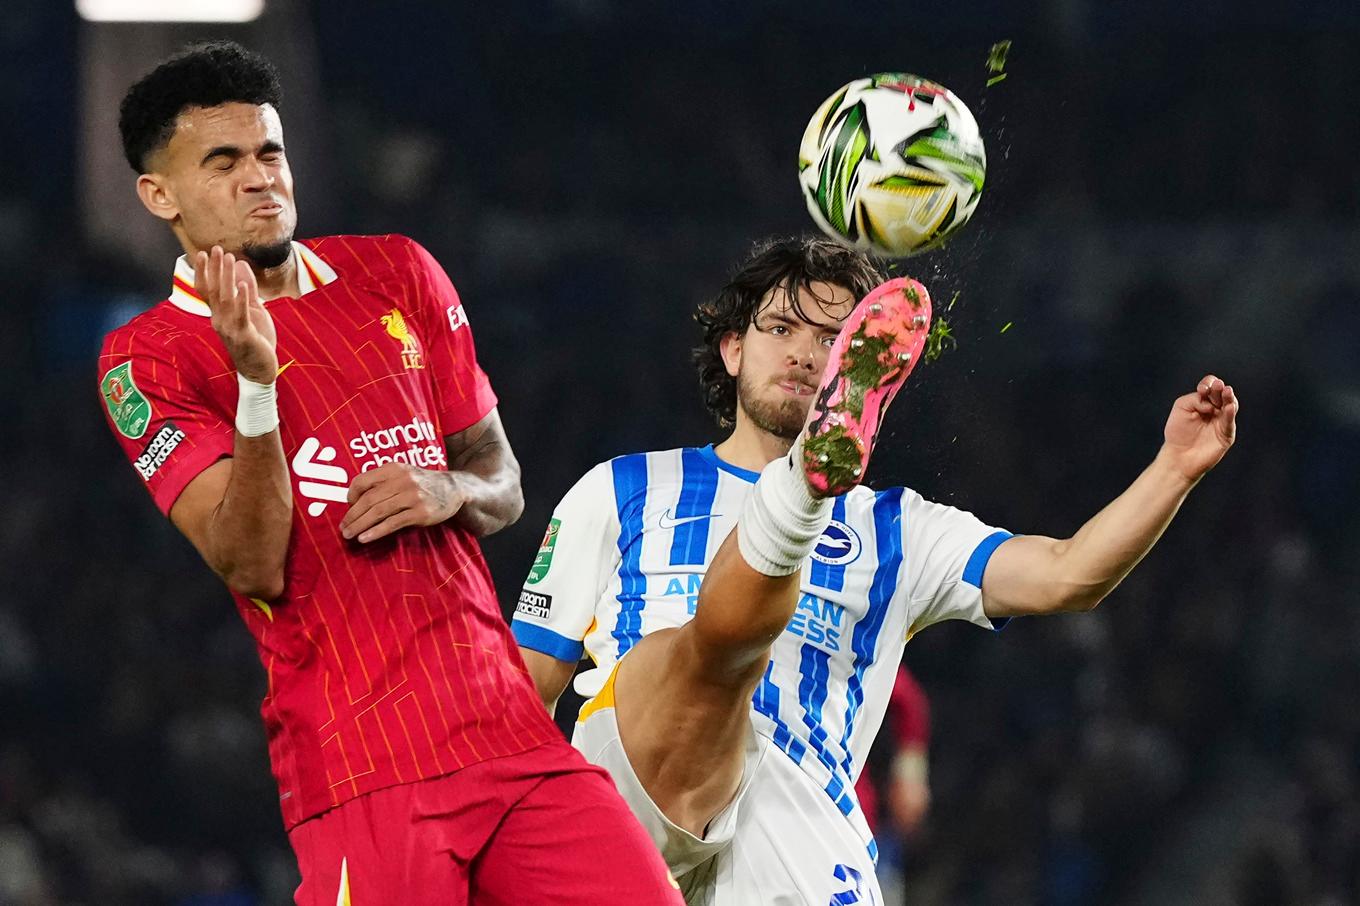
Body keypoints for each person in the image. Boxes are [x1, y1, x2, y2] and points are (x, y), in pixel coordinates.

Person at [98, 41, 681, 905]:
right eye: (222, 163)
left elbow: (502, 479)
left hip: (512, 735)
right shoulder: (146, 357)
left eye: (270, 152)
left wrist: (453, 489)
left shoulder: (396, 271)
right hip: (364, 764)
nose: (260, 179)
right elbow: (251, 562)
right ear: (160, 195)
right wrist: (258, 383)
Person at [512, 236, 1238, 904]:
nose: (803, 352)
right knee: (709, 655)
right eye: (780, 329)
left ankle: (800, 495)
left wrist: (1174, 469)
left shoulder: (899, 529)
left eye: (832, 340)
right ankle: (799, 494)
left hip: (801, 818)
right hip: (629, 798)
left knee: (722, 652)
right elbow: (524, 694)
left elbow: (1067, 574)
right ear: (732, 349)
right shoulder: (621, 488)